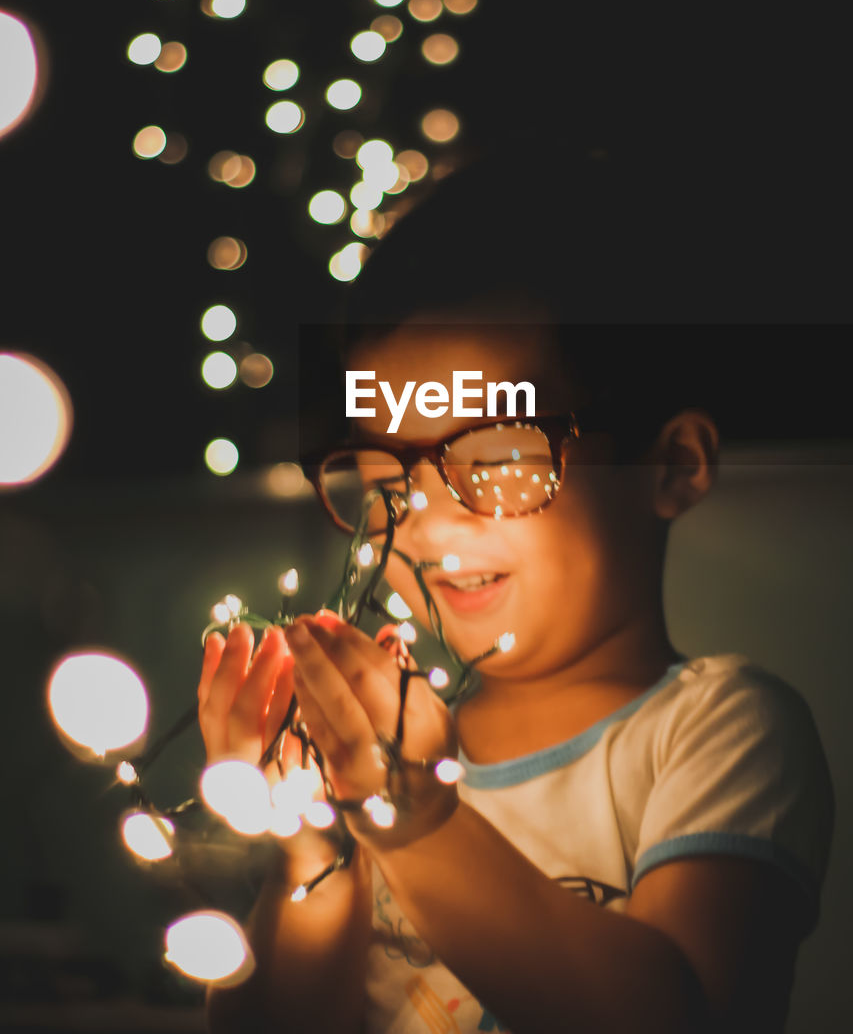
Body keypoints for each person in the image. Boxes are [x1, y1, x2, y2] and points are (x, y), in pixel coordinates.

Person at [199, 142, 834, 1033]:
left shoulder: (716, 731)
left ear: (671, 464)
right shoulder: (378, 761)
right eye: (391, 477)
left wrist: (412, 818)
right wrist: (307, 834)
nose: (427, 523)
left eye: (495, 458)